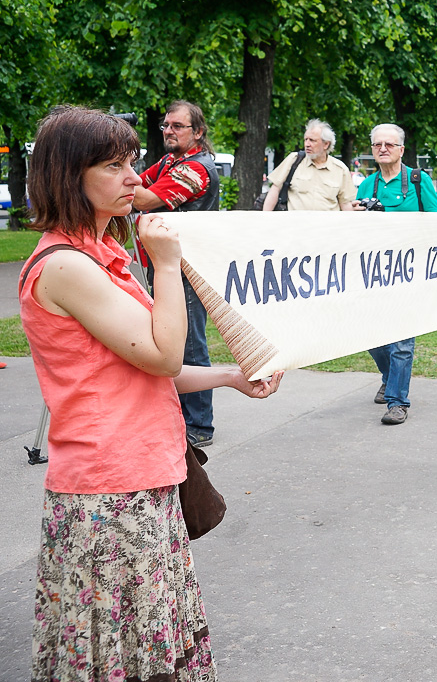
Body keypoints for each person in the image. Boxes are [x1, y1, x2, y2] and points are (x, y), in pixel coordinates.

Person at [20, 106, 282, 682]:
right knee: (119, 653)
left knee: (146, 646)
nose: (135, 177)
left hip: (144, 475)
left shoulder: (101, 256)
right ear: (70, 176)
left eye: (132, 162)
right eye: (113, 166)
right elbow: (163, 354)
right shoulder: (64, 266)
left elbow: (153, 370)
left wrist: (232, 378)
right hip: (109, 488)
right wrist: (167, 263)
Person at [134, 100, 219, 448]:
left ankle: (200, 425)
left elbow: (141, 197)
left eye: (177, 126)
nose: (168, 131)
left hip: (186, 267)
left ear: (197, 132)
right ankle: (182, 418)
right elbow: (137, 182)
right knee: (171, 339)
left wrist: (106, 172)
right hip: (167, 264)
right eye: (165, 125)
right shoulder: (173, 161)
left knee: (191, 344)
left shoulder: (194, 170)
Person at [354, 123, 437, 425]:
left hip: (410, 271)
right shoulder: (367, 186)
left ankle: (396, 401)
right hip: (374, 272)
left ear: (401, 150)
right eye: (377, 144)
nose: (382, 149)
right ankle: (390, 376)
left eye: (389, 145)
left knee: (402, 340)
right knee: (369, 335)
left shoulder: (418, 181)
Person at [261, 118, 357, 212]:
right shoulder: (293, 160)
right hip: (296, 225)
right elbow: (274, 190)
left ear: (326, 144)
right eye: (305, 139)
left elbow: (345, 204)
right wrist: (265, 219)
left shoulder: (340, 169)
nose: (307, 144)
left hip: (327, 226)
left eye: (312, 140)